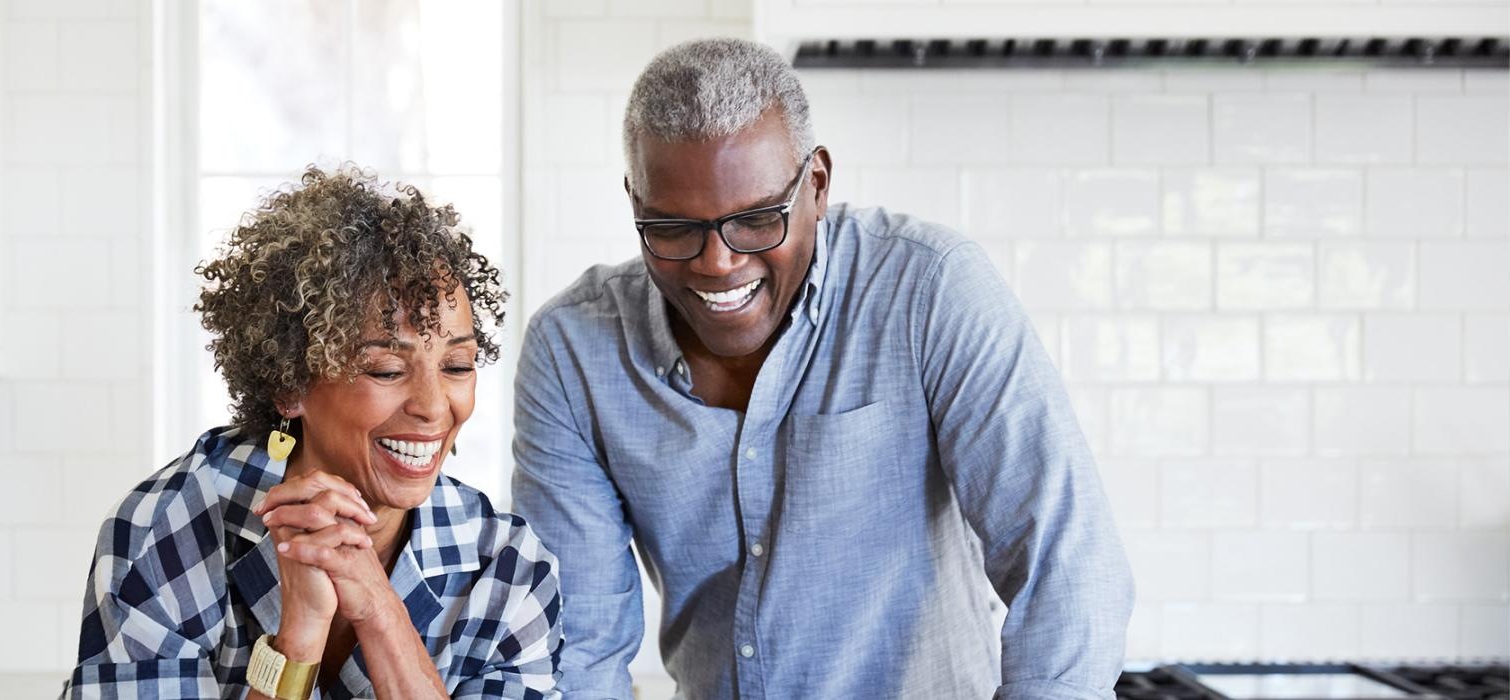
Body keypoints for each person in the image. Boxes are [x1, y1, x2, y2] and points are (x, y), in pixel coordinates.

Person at [511, 38, 1133, 699]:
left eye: (756, 220)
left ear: (817, 185)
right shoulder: (572, 350)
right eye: (671, 229)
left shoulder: (931, 291)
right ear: (635, 201)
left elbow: (1067, 570)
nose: (718, 263)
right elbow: (576, 648)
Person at [64, 165, 563, 700]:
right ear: (290, 384)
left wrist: (378, 608)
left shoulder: (509, 570)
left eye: (458, 365)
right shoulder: (164, 534)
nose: (434, 406)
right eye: (386, 371)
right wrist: (298, 639)